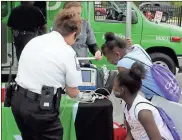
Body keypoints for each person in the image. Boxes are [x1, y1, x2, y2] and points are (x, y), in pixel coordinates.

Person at [11, 9, 83, 140]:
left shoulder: (34, 41)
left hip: (18, 101)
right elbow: (73, 92)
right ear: (73, 34)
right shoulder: (67, 52)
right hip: (39, 108)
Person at [113, 62, 174, 140]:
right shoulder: (128, 106)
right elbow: (131, 132)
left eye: (114, 86)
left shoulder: (143, 112)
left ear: (122, 90)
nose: (113, 89)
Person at [101, 32, 166, 101]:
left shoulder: (122, 64)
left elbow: (128, 92)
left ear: (117, 54)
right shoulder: (137, 47)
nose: (108, 61)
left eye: (108, 58)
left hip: (157, 97)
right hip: (165, 86)